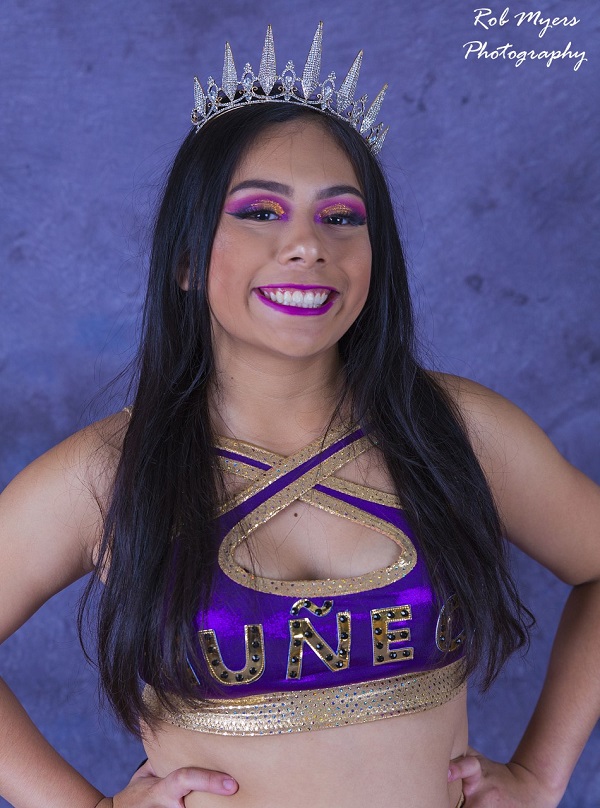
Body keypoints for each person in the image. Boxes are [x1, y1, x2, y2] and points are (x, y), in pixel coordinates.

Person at [1, 22, 599, 808]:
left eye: (341, 217)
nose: (308, 246)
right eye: (260, 211)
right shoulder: (110, 471)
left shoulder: (456, 429)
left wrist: (541, 776)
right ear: (186, 259)